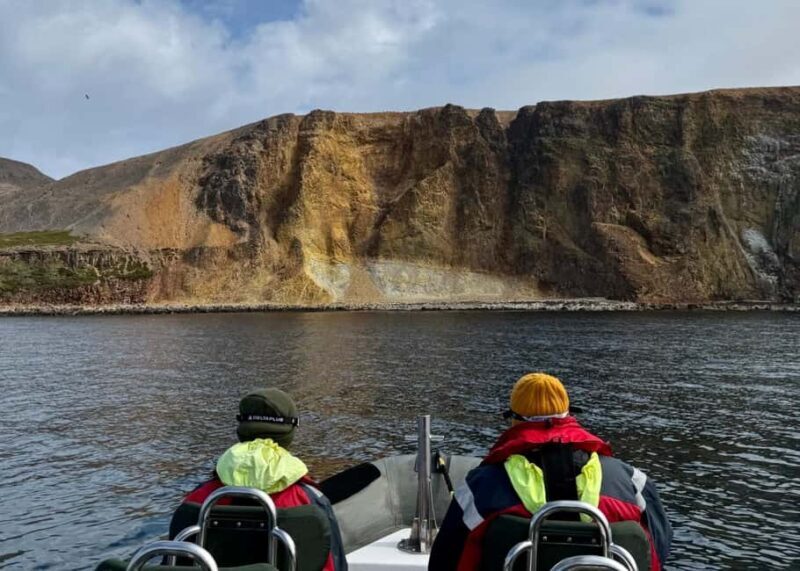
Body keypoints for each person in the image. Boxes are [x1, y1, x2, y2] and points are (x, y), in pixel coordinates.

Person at [429, 373, 672, 571]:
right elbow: (659, 551)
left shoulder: (481, 488)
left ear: (515, 420)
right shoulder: (632, 483)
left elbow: (446, 561)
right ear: (568, 415)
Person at [169, 388, 347, 571]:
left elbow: (173, 563)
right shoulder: (309, 501)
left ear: (242, 431)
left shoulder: (199, 499)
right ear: (289, 435)